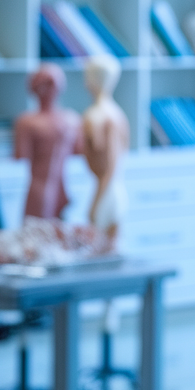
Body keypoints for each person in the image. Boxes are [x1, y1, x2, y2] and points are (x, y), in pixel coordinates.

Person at [15, 63, 81, 221]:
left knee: (55, 236)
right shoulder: (71, 120)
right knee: (40, 235)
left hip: (58, 188)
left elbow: (19, 156)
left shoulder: (28, 122)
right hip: (45, 189)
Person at [81, 54, 129, 248]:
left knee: (102, 251)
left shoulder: (98, 117)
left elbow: (110, 163)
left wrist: (96, 202)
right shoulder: (118, 113)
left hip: (107, 190)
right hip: (114, 188)